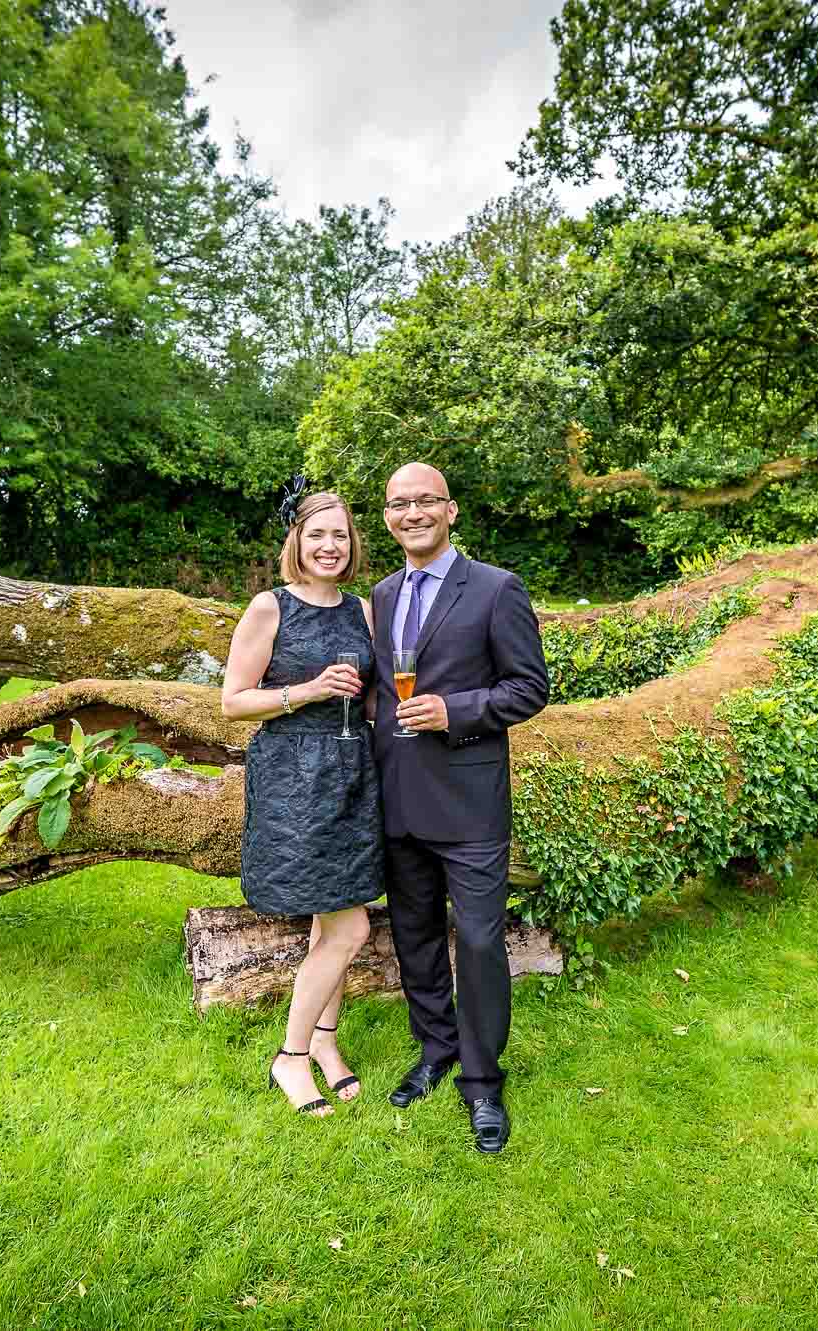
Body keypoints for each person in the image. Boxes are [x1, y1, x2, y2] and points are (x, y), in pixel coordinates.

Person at [371, 462, 549, 1154]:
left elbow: (530, 687)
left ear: (450, 511)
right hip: (401, 796)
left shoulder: (497, 589)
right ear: (387, 518)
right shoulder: (382, 595)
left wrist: (457, 709)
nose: (411, 512)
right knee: (413, 934)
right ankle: (435, 1048)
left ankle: (481, 1081)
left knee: (476, 943)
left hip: (471, 801)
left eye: (423, 501)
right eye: (397, 503)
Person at [221, 485, 383, 1116]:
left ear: (352, 543)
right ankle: (289, 1058)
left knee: (334, 913)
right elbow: (233, 701)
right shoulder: (270, 608)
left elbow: (370, 698)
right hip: (293, 777)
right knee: (352, 927)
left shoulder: (361, 610)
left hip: (352, 772)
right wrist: (309, 690)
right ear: (296, 541)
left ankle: (325, 1042)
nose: (329, 545)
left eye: (339, 535)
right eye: (317, 534)